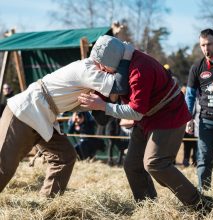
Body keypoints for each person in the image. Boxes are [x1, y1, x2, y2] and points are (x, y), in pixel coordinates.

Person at [78, 35, 213, 212]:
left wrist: (103, 106)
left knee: (155, 163)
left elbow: (136, 111)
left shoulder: (139, 69)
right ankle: (148, 208)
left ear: (112, 59)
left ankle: (201, 205)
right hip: (148, 118)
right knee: (132, 165)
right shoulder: (122, 62)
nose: (101, 69)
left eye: (102, 64)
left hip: (168, 115)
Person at [0, 39, 134, 198]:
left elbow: (102, 118)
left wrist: (110, 98)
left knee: (64, 157)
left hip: (44, 116)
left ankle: (48, 204)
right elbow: (119, 85)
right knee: (4, 167)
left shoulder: (95, 76)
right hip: (26, 111)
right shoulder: (87, 69)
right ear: (105, 62)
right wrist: (127, 57)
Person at [185, 28, 213, 192]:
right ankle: (204, 195)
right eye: (202, 45)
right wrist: (188, 118)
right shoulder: (197, 67)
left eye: (209, 44)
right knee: (203, 159)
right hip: (206, 120)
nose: (206, 48)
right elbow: (190, 96)